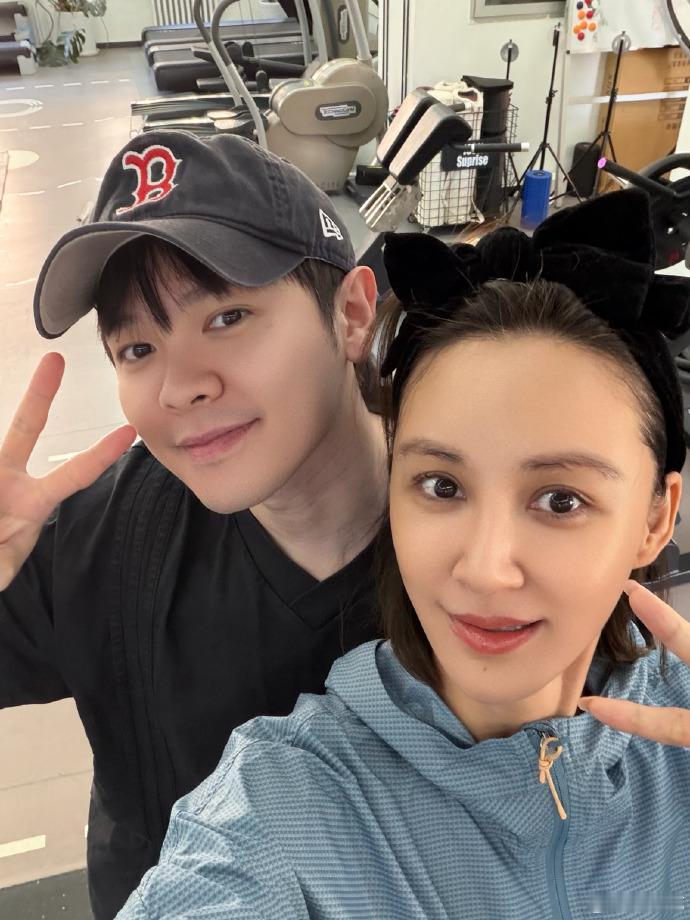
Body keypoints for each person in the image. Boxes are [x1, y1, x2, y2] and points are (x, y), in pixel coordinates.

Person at [116, 189, 690, 920]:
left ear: (655, 518)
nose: (485, 570)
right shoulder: (286, 807)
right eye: (442, 486)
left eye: (560, 500)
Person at [0, 130, 387, 919]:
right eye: (138, 347)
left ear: (351, 314)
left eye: (227, 317)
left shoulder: (493, 549)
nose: (179, 387)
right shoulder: (100, 539)